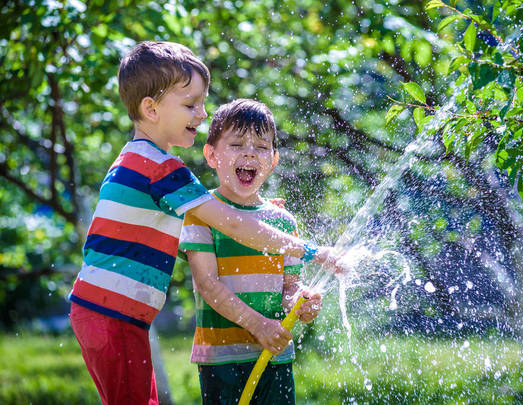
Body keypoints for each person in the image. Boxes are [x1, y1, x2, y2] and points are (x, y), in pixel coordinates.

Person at [68, 41, 339, 405]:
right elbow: (233, 225)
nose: (202, 113)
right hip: (112, 313)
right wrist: (311, 251)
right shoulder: (161, 168)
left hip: (108, 311)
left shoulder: (138, 158)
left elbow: (230, 219)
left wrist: (260, 214)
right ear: (151, 109)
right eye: (191, 104)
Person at [179, 99, 323, 405]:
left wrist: (301, 302)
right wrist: (258, 325)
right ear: (212, 155)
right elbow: (206, 284)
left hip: (275, 355)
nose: (249, 152)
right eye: (236, 144)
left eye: (261, 146)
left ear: (273, 160)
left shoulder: (283, 222)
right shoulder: (201, 213)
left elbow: (289, 288)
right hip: (222, 359)